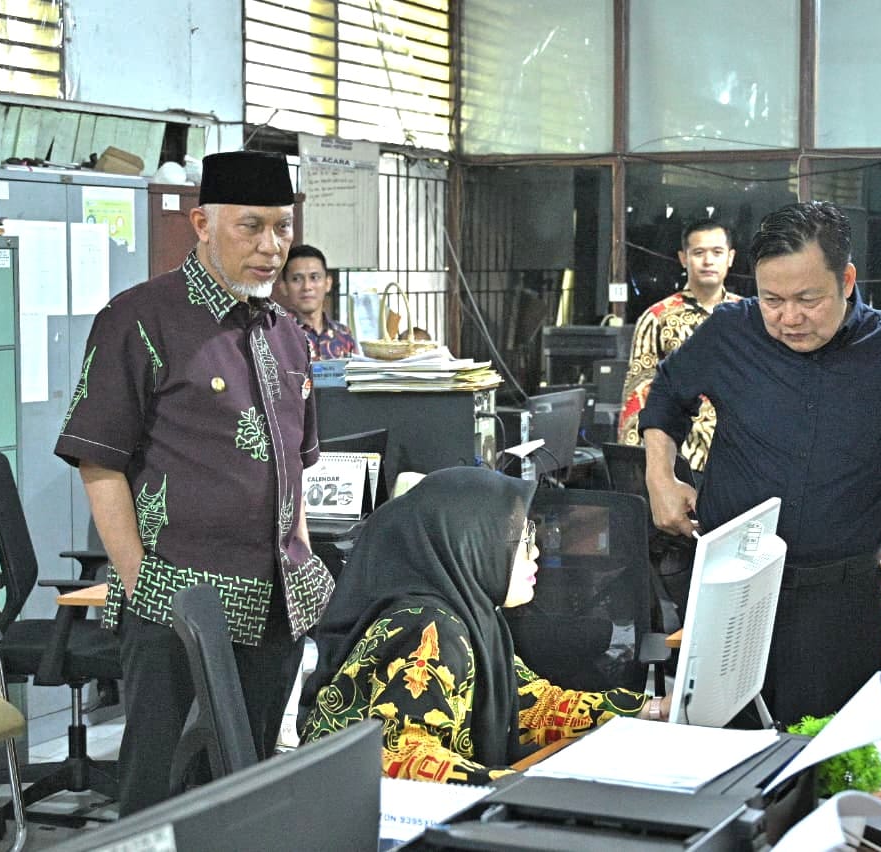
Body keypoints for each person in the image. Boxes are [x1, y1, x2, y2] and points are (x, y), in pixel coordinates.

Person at [639, 201, 881, 726]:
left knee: (831, 760)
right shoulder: (730, 332)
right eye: (772, 300)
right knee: (719, 755)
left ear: (847, 280)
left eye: (808, 299)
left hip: (839, 601)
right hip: (731, 590)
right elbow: (668, 394)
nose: (789, 317)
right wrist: (661, 475)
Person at [54, 150, 335, 814]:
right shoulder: (141, 319)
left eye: (283, 227)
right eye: (251, 227)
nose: (272, 248)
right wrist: (138, 584)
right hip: (177, 601)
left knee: (242, 788)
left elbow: (296, 464)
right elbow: (100, 463)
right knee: (159, 790)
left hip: (278, 607)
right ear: (202, 223)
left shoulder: (288, 336)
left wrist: (301, 557)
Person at [298, 467, 669, 785]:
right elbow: (401, 756)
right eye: (523, 540)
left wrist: (649, 711)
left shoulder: (475, 618)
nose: (536, 551)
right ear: (471, 542)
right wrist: (513, 789)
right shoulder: (429, 628)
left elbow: (532, 705)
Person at [618, 218, 740, 473]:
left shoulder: (747, 316)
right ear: (684, 258)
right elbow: (638, 392)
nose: (708, 261)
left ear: (730, 257)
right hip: (681, 458)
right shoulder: (657, 317)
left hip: (742, 456)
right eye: (699, 253)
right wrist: (636, 467)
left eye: (717, 252)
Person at [274, 243, 359, 359]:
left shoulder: (344, 334)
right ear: (284, 287)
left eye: (314, 277)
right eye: (297, 279)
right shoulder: (274, 334)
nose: (307, 287)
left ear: (328, 283)